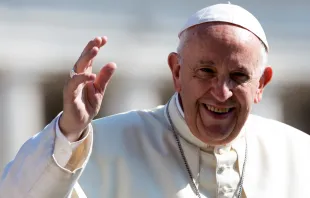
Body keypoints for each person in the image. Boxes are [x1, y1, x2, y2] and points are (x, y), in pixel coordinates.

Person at [0, 3, 309, 198]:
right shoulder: (105, 145)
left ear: (262, 84)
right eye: (206, 71)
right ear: (176, 72)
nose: (221, 91)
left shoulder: (299, 154)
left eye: (239, 76)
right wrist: (68, 132)